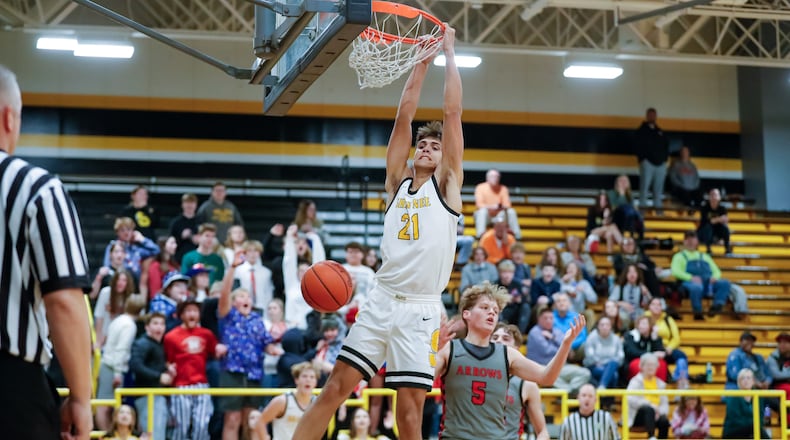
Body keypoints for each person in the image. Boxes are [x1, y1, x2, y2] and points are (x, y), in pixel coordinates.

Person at [293, 28, 465, 440]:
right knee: (333, 389)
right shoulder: (396, 184)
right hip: (381, 301)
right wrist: (421, 63)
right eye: (422, 145)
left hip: (421, 312)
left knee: (409, 414)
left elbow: (452, 114)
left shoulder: (448, 187)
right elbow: (403, 114)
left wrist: (449, 54)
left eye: (434, 146)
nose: (426, 148)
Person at [0, 65, 93, 439]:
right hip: (11, 389)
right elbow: (65, 301)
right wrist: (81, 399)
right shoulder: (34, 187)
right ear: (9, 118)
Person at [437, 283, 585, 439]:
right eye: (485, 307)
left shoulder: (508, 354)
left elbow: (547, 377)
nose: (492, 313)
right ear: (466, 314)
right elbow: (422, 382)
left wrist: (565, 344)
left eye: (495, 311)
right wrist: (434, 351)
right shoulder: (449, 349)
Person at [218, 250, 282, 440]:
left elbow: (266, 344)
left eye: (248, 296)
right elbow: (224, 294)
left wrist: (275, 349)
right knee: (232, 419)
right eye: (241, 296)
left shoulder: (257, 319)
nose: (245, 299)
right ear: (233, 301)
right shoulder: (228, 316)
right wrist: (232, 268)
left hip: (254, 372)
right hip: (232, 371)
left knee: (251, 419)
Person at [164, 299, 227, 440]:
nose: (192, 314)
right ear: (181, 315)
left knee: (202, 425)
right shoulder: (170, 337)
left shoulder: (206, 334)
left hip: (201, 384)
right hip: (180, 386)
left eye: (195, 311)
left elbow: (215, 352)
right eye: (188, 311)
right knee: (181, 425)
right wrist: (169, 368)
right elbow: (167, 360)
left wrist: (220, 349)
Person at [95, 295, 146, 430]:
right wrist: (118, 373)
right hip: (112, 367)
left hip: (107, 363)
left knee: (105, 406)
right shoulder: (129, 325)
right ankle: (106, 436)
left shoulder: (119, 320)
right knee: (104, 407)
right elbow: (121, 350)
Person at [491, 323, 549, 440]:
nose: (499, 341)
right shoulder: (475, 374)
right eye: (495, 338)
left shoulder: (527, 384)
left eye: (505, 338)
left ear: (516, 348)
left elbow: (543, 432)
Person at [527, 307, 591, 395]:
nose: (549, 320)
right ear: (539, 319)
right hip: (542, 369)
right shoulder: (534, 332)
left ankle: (569, 392)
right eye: (545, 318)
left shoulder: (557, 331)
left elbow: (568, 349)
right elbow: (548, 351)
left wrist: (553, 338)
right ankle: (569, 393)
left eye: (551, 318)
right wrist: (563, 348)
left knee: (585, 373)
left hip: (560, 367)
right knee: (550, 377)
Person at [671, 230, 732, 320]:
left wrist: (714, 277)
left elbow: (717, 271)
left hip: (706, 282)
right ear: (684, 241)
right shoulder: (679, 256)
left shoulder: (705, 256)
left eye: (693, 239)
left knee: (725, 283)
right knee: (696, 287)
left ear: (697, 242)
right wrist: (690, 277)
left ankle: (717, 306)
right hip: (688, 283)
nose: (691, 242)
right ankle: (698, 312)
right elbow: (676, 271)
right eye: (688, 239)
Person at [130, 312, 171, 440]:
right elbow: (136, 365)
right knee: (154, 434)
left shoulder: (157, 345)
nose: (159, 327)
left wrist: (167, 369)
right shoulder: (143, 343)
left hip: (156, 396)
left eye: (162, 324)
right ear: (147, 327)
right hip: (148, 396)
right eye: (155, 323)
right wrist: (159, 376)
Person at [255, 362, 319, 440]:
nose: (308, 380)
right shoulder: (282, 401)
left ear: (316, 382)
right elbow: (260, 422)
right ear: (296, 380)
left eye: (312, 377)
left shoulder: (317, 404)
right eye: (304, 376)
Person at [645, 297, 689, 385]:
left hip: (666, 348)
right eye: (654, 304)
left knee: (681, 356)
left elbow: (676, 338)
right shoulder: (645, 318)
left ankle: (680, 379)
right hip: (651, 347)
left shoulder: (668, 319)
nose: (656, 307)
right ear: (649, 306)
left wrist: (670, 347)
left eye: (659, 305)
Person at [627, 353, 670, 439]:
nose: (651, 367)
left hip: (656, 414)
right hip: (638, 415)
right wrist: (651, 405)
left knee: (664, 421)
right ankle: (651, 437)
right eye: (648, 365)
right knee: (648, 409)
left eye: (653, 365)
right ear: (642, 367)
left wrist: (659, 411)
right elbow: (630, 399)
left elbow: (665, 404)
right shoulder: (635, 381)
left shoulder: (660, 384)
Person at [635, 107, 669, 212]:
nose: (652, 117)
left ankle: (659, 212)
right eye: (650, 115)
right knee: (644, 189)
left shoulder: (660, 131)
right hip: (647, 163)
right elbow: (637, 146)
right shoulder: (641, 131)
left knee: (658, 191)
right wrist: (642, 159)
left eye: (654, 115)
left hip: (660, 164)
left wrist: (664, 160)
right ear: (647, 116)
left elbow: (666, 146)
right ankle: (642, 213)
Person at [474, 169, 522, 239]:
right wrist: (493, 207)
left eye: (497, 177)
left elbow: (507, 205)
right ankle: (480, 235)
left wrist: (499, 207)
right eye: (492, 176)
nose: (495, 178)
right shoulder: (480, 187)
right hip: (487, 215)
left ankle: (517, 236)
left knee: (511, 211)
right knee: (482, 212)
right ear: (487, 178)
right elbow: (479, 205)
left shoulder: (503, 188)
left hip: (500, 215)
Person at [722, 368, 769, 439]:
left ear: (753, 381)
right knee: (757, 429)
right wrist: (753, 423)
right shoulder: (733, 396)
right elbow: (735, 420)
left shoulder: (758, 395)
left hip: (752, 430)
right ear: (739, 382)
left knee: (758, 429)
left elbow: (760, 416)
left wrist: (755, 424)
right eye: (743, 378)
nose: (746, 380)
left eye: (748, 378)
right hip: (733, 430)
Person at [583, 316, 624, 390]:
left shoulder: (616, 339)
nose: (605, 327)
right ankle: (608, 398)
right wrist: (605, 363)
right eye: (602, 325)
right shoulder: (591, 338)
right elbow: (590, 357)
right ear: (598, 326)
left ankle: (602, 386)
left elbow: (620, 357)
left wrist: (608, 364)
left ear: (611, 326)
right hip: (595, 367)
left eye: (607, 325)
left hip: (611, 366)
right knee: (614, 375)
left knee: (613, 364)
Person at [624, 315, 669, 381]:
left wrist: (655, 339)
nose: (641, 326)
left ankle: (659, 388)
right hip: (634, 360)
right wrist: (652, 354)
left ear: (650, 326)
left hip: (651, 360)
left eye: (644, 324)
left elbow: (660, 352)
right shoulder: (631, 335)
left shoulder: (654, 336)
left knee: (662, 364)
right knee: (637, 365)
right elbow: (632, 352)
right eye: (639, 324)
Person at [697, 188, 732, 254]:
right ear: (709, 197)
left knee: (726, 229)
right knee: (708, 227)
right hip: (704, 232)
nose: (714, 197)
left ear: (719, 197)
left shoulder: (722, 209)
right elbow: (708, 221)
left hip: (717, 231)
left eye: (716, 195)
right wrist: (719, 219)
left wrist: (716, 220)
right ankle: (708, 249)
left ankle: (727, 249)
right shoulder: (704, 208)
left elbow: (725, 220)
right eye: (712, 195)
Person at [170, 193, 200, 264]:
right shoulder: (176, 222)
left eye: (192, 202)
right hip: (180, 258)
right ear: (182, 204)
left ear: (196, 205)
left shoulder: (201, 221)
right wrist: (181, 237)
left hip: (198, 259)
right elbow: (171, 241)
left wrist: (200, 240)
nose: (189, 205)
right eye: (187, 202)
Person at [767, 332, 790, 426]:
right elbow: (776, 375)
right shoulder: (772, 357)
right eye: (780, 342)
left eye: (785, 342)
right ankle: (787, 422)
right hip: (776, 385)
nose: (782, 345)